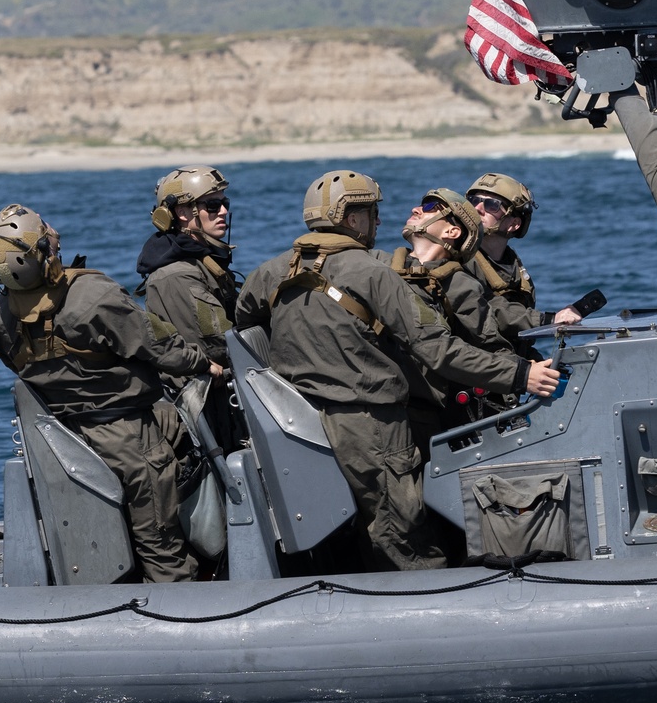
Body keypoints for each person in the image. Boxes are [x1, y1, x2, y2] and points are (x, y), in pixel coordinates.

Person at [235, 169, 560, 571]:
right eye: (372, 214)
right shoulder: (376, 273)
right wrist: (519, 374)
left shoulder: (271, 271)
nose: (379, 222)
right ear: (351, 219)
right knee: (403, 536)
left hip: (297, 418)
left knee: (359, 531)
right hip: (373, 423)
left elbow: (244, 323)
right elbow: (438, 350)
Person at [0, 204, 222, 583]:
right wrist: (203, 363)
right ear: (42, 253)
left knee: (175, 431)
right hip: (127, 435)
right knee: (161, 542)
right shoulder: (92, 296)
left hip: (65, 439)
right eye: (45, 233)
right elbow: (155, 344)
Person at [375, 186, 523, 456]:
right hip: (379, 404)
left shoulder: (459, 285)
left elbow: (490, 343)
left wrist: (524, 378)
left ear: (452, 232)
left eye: (431, 208)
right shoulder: (378, 266)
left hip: (424, 413)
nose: (416, 210)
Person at [136, 164, 243, 450]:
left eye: (224, 203)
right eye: (212, 205)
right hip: (210, 412)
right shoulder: (176, 276)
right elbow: (220, 343)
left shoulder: (203, 264)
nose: (222, 212)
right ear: (183, 213)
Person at [465, 172, 606, 350]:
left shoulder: (512, 266)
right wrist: (550, 320)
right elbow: (488, 308)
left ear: (513, 224)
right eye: (473, 200)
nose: (478, 208)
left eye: (491, 205)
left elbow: (517, 338)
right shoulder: (460, 259)